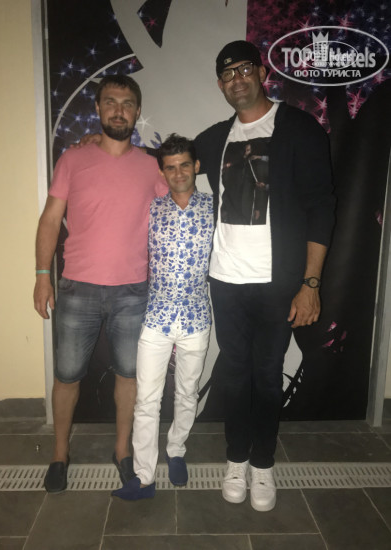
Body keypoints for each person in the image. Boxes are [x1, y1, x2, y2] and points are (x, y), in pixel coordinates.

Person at [194, 41, 335, 511]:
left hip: (278, 283)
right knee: (234, 374)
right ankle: (236, 458)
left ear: (260, 73)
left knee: (268, 375)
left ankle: (263, 463)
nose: (236, 79)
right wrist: (106, 144)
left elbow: (322, 207)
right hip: (225, 281)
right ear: (220, 84)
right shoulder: (216, 138)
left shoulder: (298, 128)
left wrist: (310, 284)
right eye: (227, 73)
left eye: (243, 69)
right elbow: (169, 160)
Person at [33, 74, 167, 493]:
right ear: (97, 108)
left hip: (134, 291)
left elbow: (175, 209)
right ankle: (60, 455)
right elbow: (50, 219)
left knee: (130, 375)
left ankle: (122, 450)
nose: (118, 110)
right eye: (110, 101)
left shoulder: (152, 166)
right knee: (67, 376)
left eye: (127, 103)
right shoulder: (73, 160)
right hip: (78, 289)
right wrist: (42, 276)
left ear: (137, 111)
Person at [113, 134, 214, 500]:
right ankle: (143, 477)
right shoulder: (152, 209)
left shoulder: (215, 208)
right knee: (147, 399)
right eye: (170, 167)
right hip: (156, 317)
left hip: (196, 318)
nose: (178, 173)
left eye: (184, 165)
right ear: (162, 172)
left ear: (196, 166)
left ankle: (176, 450)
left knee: (187, 392)